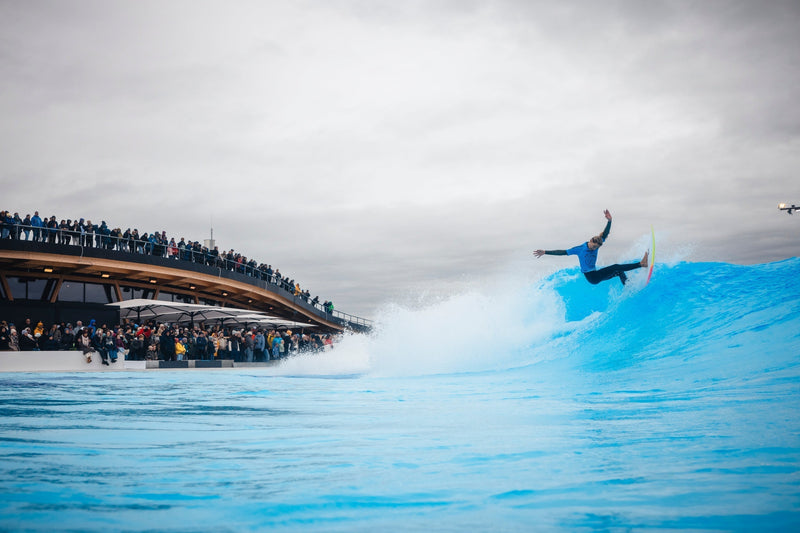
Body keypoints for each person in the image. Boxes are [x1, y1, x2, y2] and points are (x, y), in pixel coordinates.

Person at [534, 210, 648, 286]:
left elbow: (605, 234)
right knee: (616, 266)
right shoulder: (580, 249)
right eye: (593, 247)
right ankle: (641, 264)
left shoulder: (597, 243)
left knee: (619, 271)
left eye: (596, 248)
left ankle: (628, 286)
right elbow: (563, 252)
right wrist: (545, 252)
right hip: (592, 277)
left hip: (595, 274)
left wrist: (609, 221)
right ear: (590, 241)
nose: (594, 249)